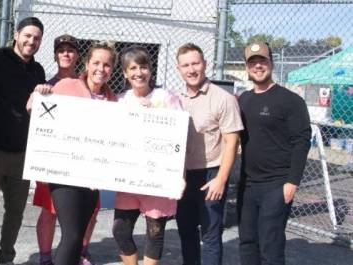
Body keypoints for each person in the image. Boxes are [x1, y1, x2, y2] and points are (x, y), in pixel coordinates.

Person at [32, 41, 116, 265]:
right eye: (96, 62)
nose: (101, 68)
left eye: (107, 65)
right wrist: (41, 92)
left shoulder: (111, 99)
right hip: (64, 174)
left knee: (78, 236)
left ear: (112, 69)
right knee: (71, 234)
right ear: (87, 64)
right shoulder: (68, 85)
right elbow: (33, 105)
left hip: (91, 179)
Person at [0, 17, 47, 265]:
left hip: (23, 154)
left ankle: (7, 256)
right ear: (16, 34)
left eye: (37, 38)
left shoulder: (38, 71)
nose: (31, 41)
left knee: (15, 212)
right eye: (27, 35)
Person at [237, 41, 311, 265]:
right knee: (247, 242)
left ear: (271, 62)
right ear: (247, 67)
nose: (258, 66)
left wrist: (292, 182)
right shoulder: (244, 100)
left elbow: (302, 141)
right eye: (253, 62)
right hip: (248, 184)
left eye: (263, 61)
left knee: (271, 245)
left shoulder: (291, 101)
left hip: (276, 184)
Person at [112, 46, 182, 265]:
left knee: (154, 232)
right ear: (124, 72)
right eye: (133, 68)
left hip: (158, 178)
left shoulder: (166, 98)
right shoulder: (120, 100)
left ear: (151, 70)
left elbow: (179, 136)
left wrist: (179, 174)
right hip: (129, 179)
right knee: (120, 231)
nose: (138, 72)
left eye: (143, 67)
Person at [175, 43, 243, 265]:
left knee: (211, 236)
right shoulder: (175, 100)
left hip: (211, 175)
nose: (191, 69)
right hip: (183, 176)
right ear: (179, 69)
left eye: (195, 63)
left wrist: (221, 179)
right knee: (186, 231)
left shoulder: (223, 98)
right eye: (186, 65)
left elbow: (231, 142)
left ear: (205, 64)